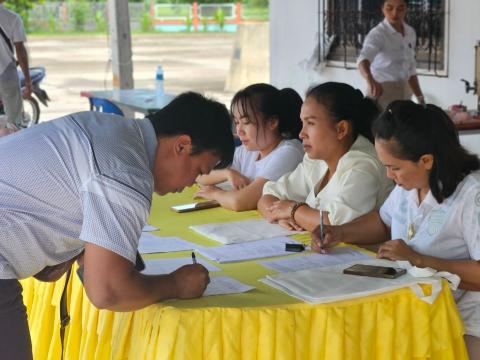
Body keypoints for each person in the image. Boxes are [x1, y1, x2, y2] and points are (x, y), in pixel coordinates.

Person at [0, 92, 235, 359]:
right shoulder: (126, 171)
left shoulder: (103, 128)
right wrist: (175, 285)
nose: (194, 182)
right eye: (199, 170)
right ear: (182, 145)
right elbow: (107, 291)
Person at [312, 100, 480, 359]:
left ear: (426, 160)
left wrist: (420, 260)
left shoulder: (472, 195)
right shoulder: (410, 186)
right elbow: (383, 221)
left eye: (395, 167)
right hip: (415, 314)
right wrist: (341, 232)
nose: (389, 175)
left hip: (466, 324)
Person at [257, 82, 393, 232]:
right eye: (302, 123)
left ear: (341, 129)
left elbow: (336, 227)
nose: (302, 133)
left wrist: (292, 211)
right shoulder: (316, 160)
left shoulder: (364, 164)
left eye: (310, 123)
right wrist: (282, 216)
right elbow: (268, 196)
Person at [196, 83, 304, 211]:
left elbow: (240, 202)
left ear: (272, 122)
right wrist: (227, 173)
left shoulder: (289, 152)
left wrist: (215, 194)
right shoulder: (249, 151)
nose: (239, 131)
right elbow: (199, 175)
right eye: (236, 122)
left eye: (246, 122)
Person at [357, 0, 425, 110]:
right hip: (382, 93)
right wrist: (369, 78)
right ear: (382, 9)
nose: (394, 13)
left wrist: (421, 99)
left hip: (405, 94)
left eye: (400, 8)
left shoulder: (410, 32)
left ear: (406, 9)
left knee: (405, 126)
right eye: (389, 8)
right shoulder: (378, 34)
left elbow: (411, 70)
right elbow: (363, 59)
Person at [0, 0, 32, 127]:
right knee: (14, 123)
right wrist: (28, 82)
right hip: (6, 73)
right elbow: (20, 50)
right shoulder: (12, 18)